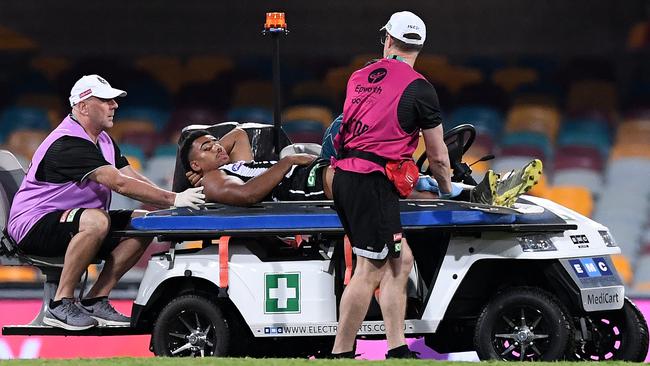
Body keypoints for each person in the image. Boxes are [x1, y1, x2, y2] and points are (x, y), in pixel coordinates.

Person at [327, 11, 540, 359]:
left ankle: (396, 348)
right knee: (369, 268)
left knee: (401, 261)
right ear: (419, 46)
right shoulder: (420, 88)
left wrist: (413, 175)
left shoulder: (358, 77)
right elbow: (440, 157)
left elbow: (365, 132)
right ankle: (340, 353)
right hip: (371, 183)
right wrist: (447, 187)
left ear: (388, 39)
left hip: (347, 176)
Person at [7, 74, 205, 331]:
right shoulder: (67, 142)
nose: (115, 105)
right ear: (83, 106)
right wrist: (175, 199)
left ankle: (94, 299)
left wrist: (169, 205)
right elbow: (119, 183)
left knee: (144, 221)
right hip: (33, 226)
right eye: (105, 100)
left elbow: (132, 176)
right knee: (96, 220)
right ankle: (60, 304)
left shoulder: (103, 138)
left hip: (71, 221)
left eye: (114, 100)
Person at [180, 128, 541, 208]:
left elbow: (239, 132)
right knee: (382, 183)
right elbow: (245, 195)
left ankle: (468, 192)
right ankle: (469, 196)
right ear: (197, 164)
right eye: (206, 147)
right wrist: (287, 162)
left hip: (315, 171)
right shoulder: (214, 179)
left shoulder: (235, 158)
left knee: (389, 174)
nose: (217, 146)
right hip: (302, 183)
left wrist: (204, 146)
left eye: (215, 141)